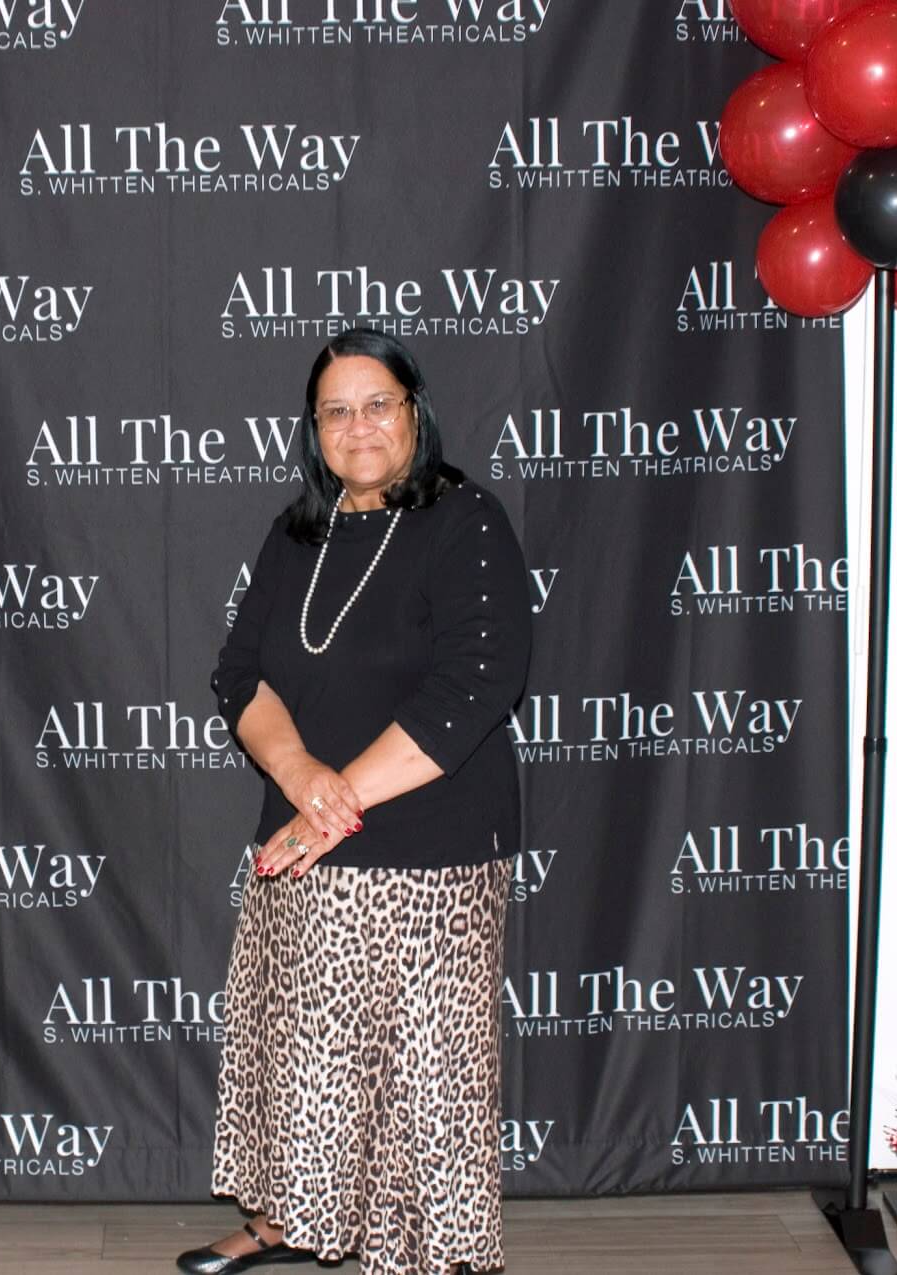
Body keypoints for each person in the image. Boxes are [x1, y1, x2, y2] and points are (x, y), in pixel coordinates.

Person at [180, 329, 531, 1275]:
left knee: (423, 1079)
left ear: (415, 411)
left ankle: (429, 1252)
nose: (357, 426)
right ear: (313, 428)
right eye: (334, 410)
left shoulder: (465, 520)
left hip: (429, 851)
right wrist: (299, 774)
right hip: (299, 842)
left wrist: (332, 806)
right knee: (299, 1058)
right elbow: (239, 673)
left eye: (378, 403)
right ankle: (283, 1219)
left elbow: (476, 683)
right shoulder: (299, 530)